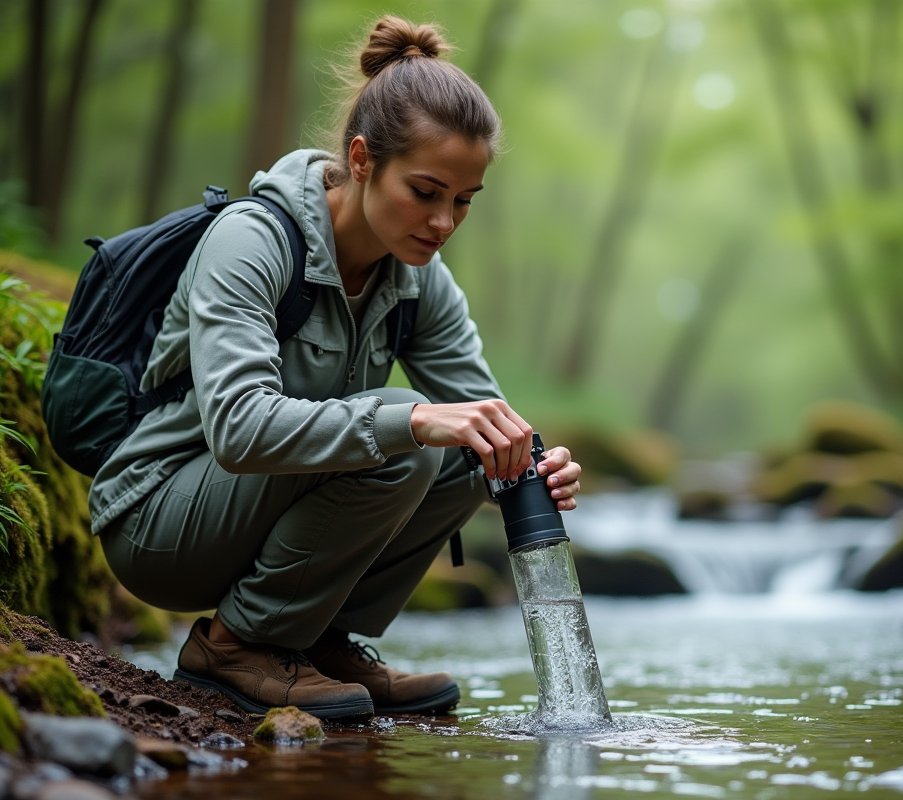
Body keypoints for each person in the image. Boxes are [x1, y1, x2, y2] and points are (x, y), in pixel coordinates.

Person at [87, 16, 583, 720]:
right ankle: (233, 647)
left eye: (464, 201)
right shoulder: (252, 241)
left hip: (261, 511)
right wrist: (409, 418)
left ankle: (317, 642)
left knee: (471, 451)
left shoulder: (421, 278)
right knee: (406, 444)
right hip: (161, 522)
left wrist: (531, 463)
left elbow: (487, 417)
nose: (444, 222)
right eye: (426, 190)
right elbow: (236, 429)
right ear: (360, 159)